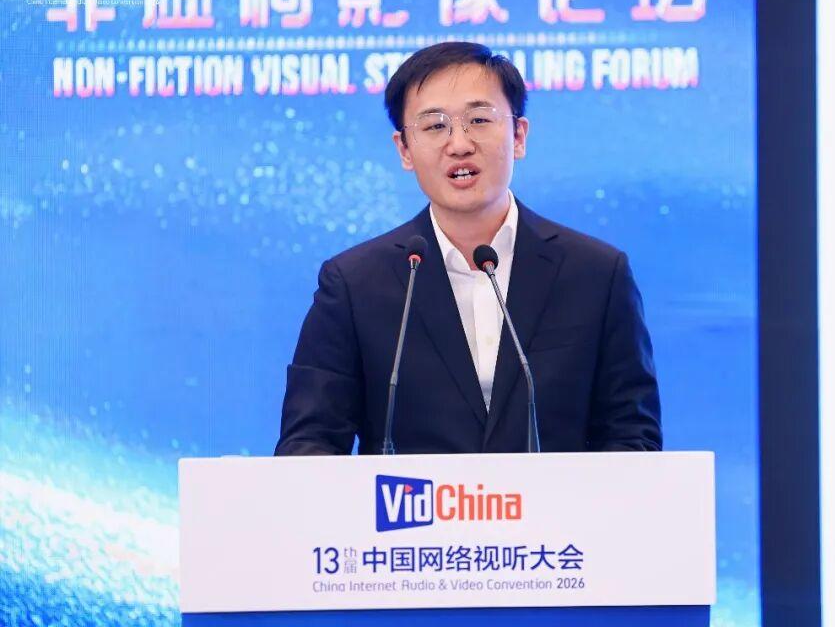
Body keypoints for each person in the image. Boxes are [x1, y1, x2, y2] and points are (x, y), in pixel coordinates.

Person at [274, 42, 661, 455]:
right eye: (434, 126)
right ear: (404, 149)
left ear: (518, 136)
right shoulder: (355, 284)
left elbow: (632, 439)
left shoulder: (595, 274)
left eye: (479, 119)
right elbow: (308, 445)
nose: (459, 144)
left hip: (555, 501)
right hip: (408, 501)